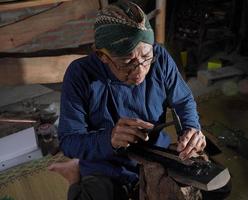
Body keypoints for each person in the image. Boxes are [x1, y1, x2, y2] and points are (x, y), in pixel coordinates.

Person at [49, 1, 230, 199]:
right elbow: (68, 141)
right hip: (107, 162)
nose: (139, 73)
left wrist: (191, 128)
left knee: (219, 189)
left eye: (145, 58)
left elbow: (183, 100)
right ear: (102, 56)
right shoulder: (80, 74)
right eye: (127, 63)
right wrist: (109, 138)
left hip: (156, 154)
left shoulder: (160, 57)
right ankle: (75, 177)